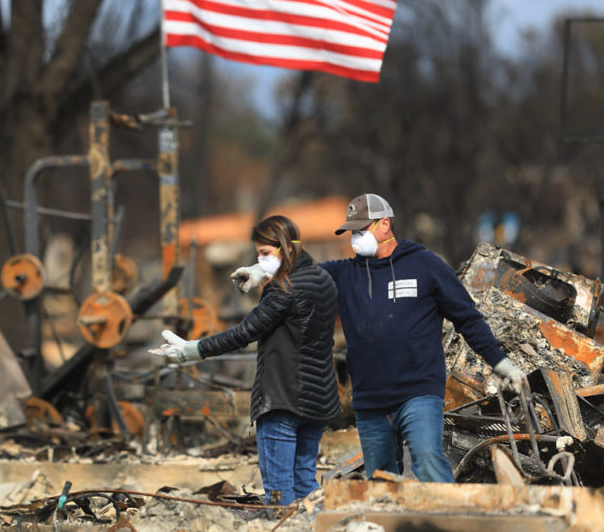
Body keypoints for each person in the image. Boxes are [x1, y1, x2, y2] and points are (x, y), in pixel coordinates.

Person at [308, 193, 525, 482]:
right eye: (352, 231)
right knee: (381, 480)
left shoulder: (425, 265)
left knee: (427, 461)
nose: (355, 237)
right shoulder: (345, 273)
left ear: (385, 224)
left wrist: (502, 364)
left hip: (418, 392)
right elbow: (300, 277)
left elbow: (467, 318)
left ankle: (446, 524)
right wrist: (262, 271)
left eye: (362, 229)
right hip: (370, 399)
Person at [150, 215, 340, 506]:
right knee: (305, 482)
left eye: (264, 253)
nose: (260, 259)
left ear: (286, 248)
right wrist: (261, 271)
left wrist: (192, 350)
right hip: (317, 400)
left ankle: (282, 526)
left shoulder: (282, 291)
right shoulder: (323, 281)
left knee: (278, 492)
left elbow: (243, 333)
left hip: (281, 400)